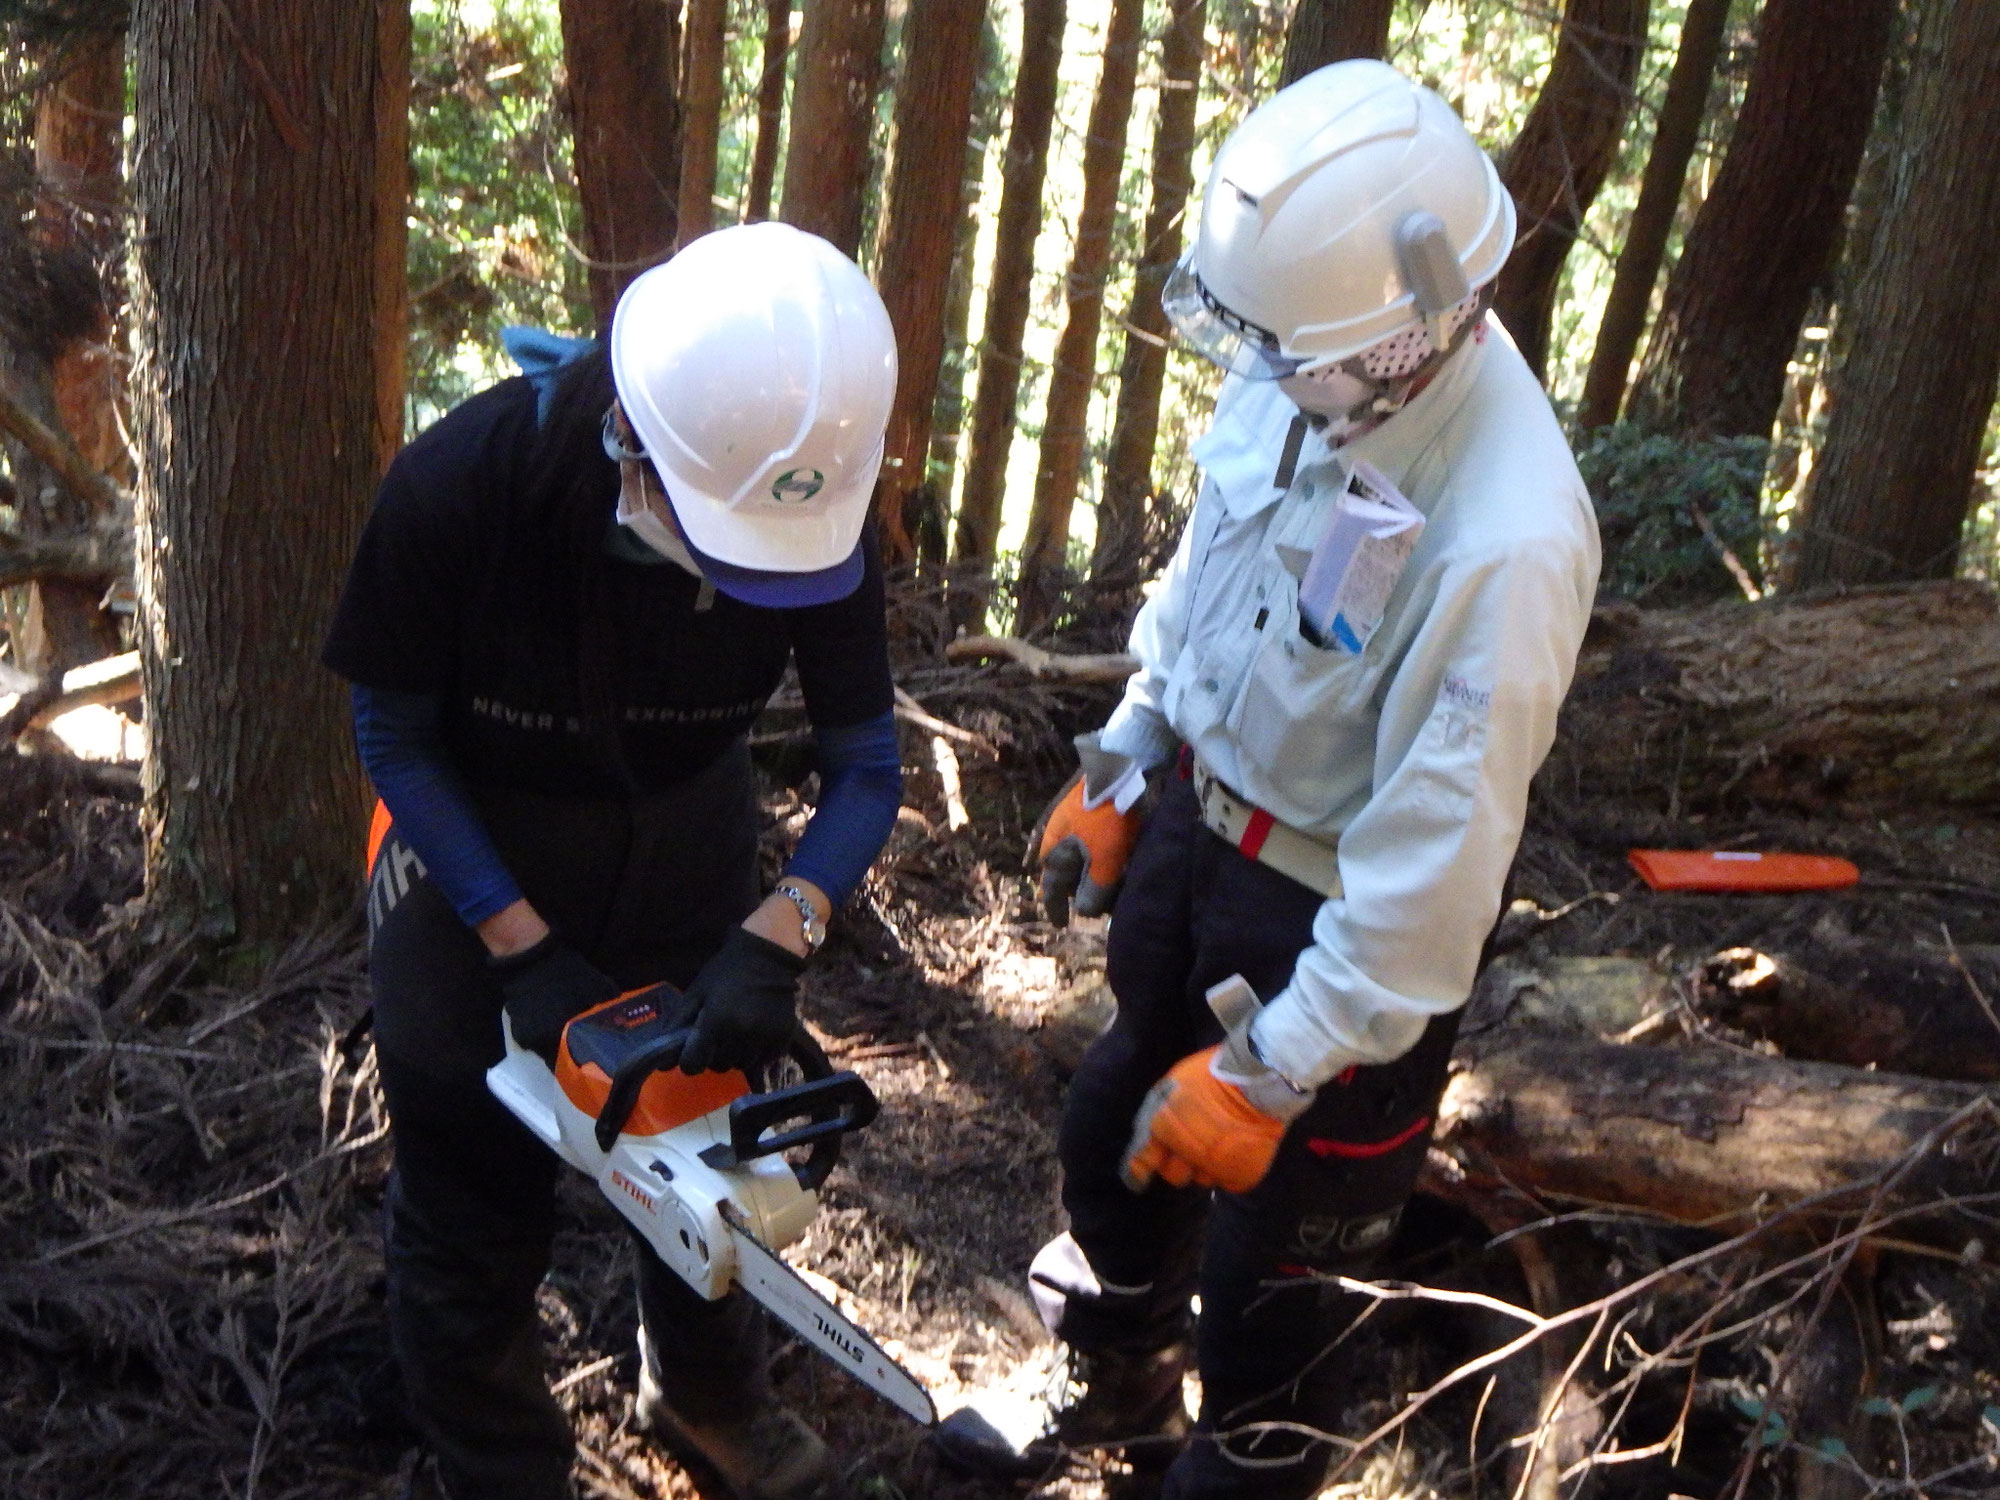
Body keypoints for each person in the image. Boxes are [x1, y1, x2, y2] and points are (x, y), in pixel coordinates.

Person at [937, 60, 1601, 1497]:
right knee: (1112, 1138)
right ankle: (1116, 1388)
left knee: (1277, 1309)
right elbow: (1208, 580)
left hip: (1338, 944)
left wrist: (1270, 1070)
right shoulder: (1304, 363)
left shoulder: (1506, 538)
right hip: (1199, 843)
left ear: (1406, 336)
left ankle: (1233, 1467)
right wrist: (1132, 752)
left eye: (1285, 349)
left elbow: (1430, 879)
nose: (1258, 371)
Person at [323, 222, 904, 1500]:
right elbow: (393, 736)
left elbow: (867, 767)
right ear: (635, 442)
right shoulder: (462, 481)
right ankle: (501, 1464)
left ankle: (705, 1396)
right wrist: (516, 947)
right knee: (471, 1204)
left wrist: (780, 929)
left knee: (709, 1164)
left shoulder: (813, 500)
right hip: (466, 838)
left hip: (686, 832)